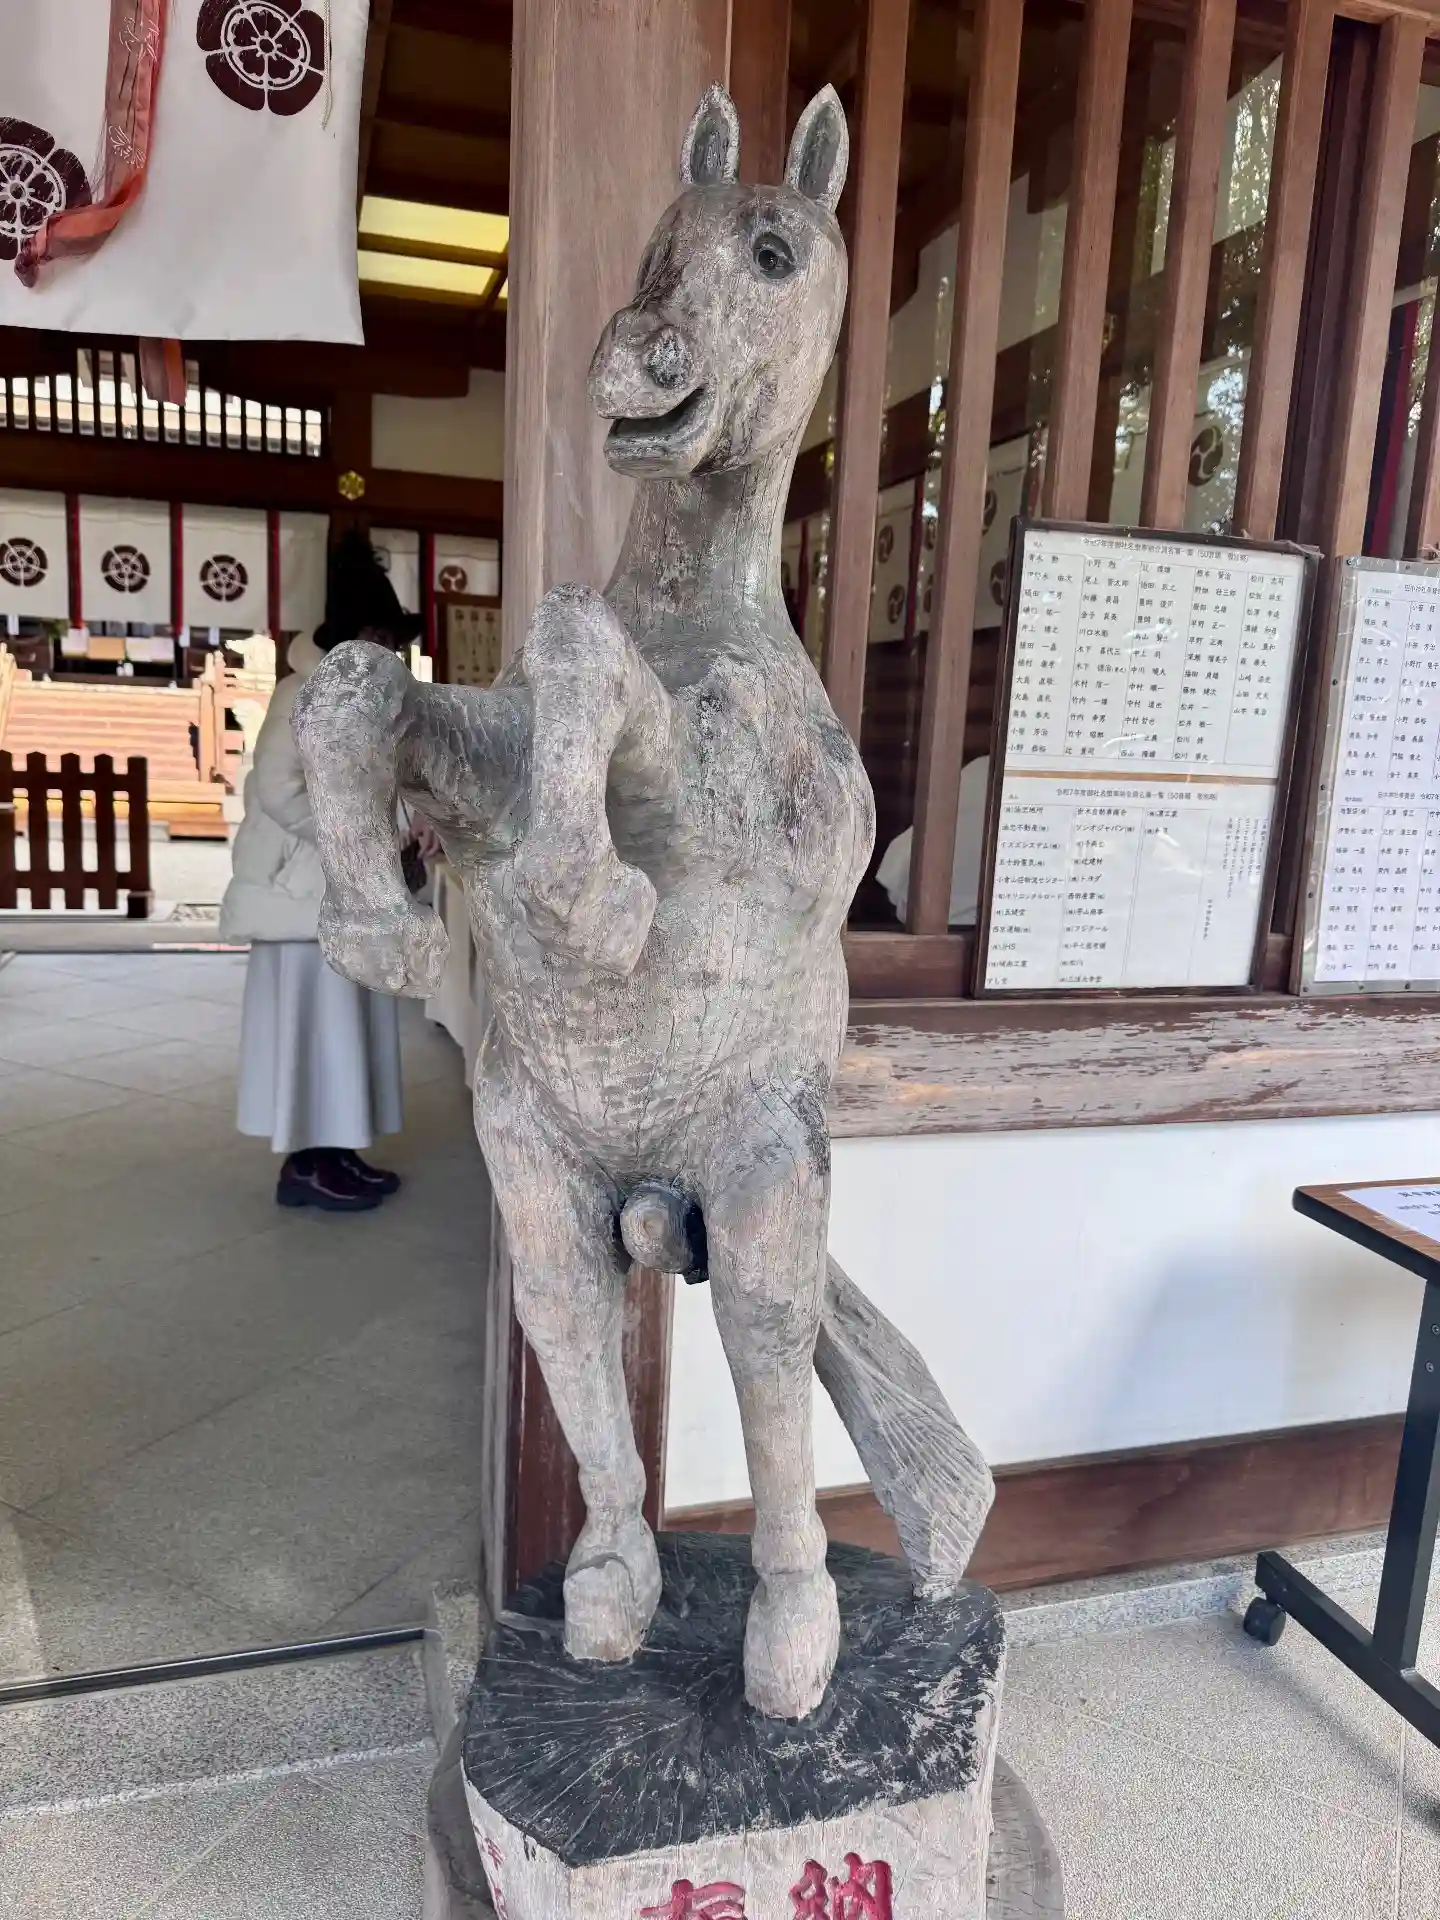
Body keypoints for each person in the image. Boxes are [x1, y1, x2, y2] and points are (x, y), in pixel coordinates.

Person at [219, 532, 426, 1211]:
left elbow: (379, 788)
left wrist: (407, 825)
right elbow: (278, 791)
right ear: (347, 638)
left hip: (345, 888)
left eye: (389, 639)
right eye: (376, 636)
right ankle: (308, 1164)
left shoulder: (369, 701)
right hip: (302, 891)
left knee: (345, 1028)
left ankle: (337, 1151)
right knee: (315, 1028)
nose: (385, 650)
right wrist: (362, 842)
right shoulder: (300, 693)